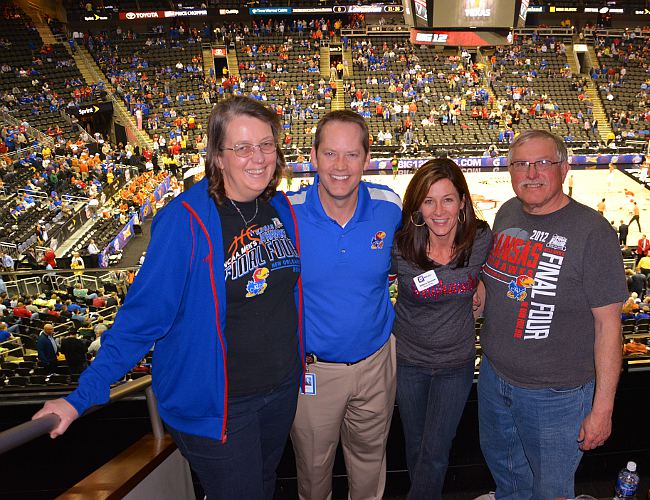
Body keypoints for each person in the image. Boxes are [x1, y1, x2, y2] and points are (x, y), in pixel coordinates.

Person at [33, 96, 304, 500]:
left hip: (279, 392)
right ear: (217, 157)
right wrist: (81, 397)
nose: (258, 157)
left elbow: (283, 299)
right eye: (242, 147)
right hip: (221, 406)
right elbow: (142, 319)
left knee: (263, 485)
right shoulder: (184, 221)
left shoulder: (279, 207)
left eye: (266, 144)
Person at [477, 130, 628, 500]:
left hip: (556, 396)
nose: (531, 173)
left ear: (563, 167)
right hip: (495, 379)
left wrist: (603, 409)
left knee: (551, 490)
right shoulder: (507, 211)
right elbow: (499, 279)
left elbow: (609, 325)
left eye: (542, 162)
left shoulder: (592, 232)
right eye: (520, 164)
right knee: (508, 478)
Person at [287, 110, 402, 500]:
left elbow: (422, 255)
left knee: (370, 466)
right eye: (331, 154)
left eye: (352, 155)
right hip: (313, 373)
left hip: (376, 366)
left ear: (367, 159)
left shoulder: (390, 207)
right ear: (313, 157)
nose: (340, 166)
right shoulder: (286, 213)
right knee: (314, 474)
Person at [391, 158, 491, 499]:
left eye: (447, 199)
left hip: (455, 365)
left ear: (462, 201)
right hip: (408, 362)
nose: (439, 211)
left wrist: (483, 286)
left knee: (435, 453)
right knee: (415, 447)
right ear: (417, 206)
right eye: (429, 200)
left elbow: (497, 275)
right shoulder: (401, 245)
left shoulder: (480, 238)